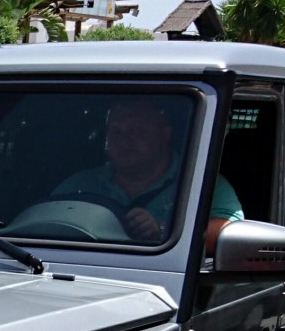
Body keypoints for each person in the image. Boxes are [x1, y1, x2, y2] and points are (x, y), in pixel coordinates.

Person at [55, 98, 243, 254]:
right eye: (116, 131)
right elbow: (44, 223)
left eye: (136, 131)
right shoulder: (80, 184)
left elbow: (229, 233)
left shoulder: (202, 182)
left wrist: (164, 231)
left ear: (165, 134)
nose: (124, 140)